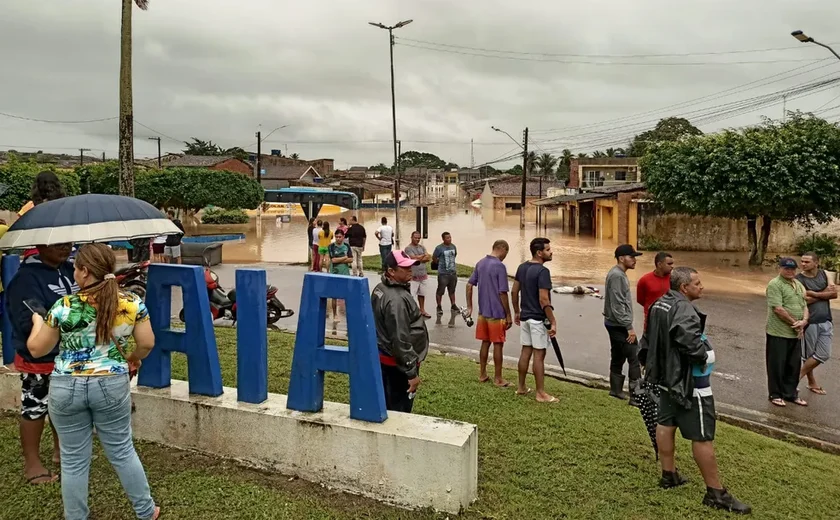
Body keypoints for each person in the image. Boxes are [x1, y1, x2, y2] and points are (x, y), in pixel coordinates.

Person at [26, 243, 160, 520]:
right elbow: (146, 343)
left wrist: (38, 323)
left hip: (66, 387)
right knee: (122, 450)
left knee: (74, 461)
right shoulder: (132, 302)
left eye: (76, 268)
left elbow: (37, 349)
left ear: (85, 271)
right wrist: (133, 358)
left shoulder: (63, 306)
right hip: (111, 383)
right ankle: (146, 511)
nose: (73, 272)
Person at [643, 267, 751, 514]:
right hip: (690, 384)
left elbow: (648, 339)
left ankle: (668, 475)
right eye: (698, 283)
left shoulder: (660, 303)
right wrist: (704, 356)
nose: (702, 287)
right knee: (702, 436)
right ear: (684, 288)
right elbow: (689, 341)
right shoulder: (684, 308)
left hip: (666, 379)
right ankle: (716, 493)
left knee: (666, 423)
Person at [5, 242, 78, 484]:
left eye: (68, 243)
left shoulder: (71, 269)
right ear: (40, 243)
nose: (65, 248)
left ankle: (61, 451)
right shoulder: (25, 279)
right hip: (40, 358)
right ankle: (33, 465)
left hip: (70, 354)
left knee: (65, 408)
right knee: (35, 408)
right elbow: (31, 318)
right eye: (57, 244)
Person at [371, 250, 430, 413]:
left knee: (388, 404)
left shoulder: (380, 288)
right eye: (405, 268)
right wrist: (411, 373)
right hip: (398, 365)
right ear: (391, 271)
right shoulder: (396, 300)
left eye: (411, 266)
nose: (410, 271)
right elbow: (400, 339)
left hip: (385, 357)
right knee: (399, 410)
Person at [512, 237, 557, 403]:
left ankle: (521, 387)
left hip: (525, 317)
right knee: (539, 355)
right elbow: (544, 299)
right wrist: (553, 321)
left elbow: (514, 291)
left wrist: (517, 311)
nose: (551, 252)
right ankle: (540, 393)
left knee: (526, 351)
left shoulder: (522, 267)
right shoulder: (543, 272)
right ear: (539, 253)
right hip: (538, 319)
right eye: (547, 250)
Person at [467, 240, 512, 387]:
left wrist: (470, 307)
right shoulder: (499, 266)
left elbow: (469, 284)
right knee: (498, 344)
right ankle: (498, 378)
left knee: (485, 342)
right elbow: (503, 293)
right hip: (497, 312)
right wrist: (508, 314)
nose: (505, 256)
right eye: (506, 253)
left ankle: (482, 374)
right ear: (502, 249)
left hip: (483, 312)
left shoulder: (480, 263)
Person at [765, 257, 808, 407]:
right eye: (786, 268)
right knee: (777, 365)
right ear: (780, 268)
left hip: (795, 333)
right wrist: (794, 323)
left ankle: (790, 394)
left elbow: (805, 306)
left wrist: (804, 321)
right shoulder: (775, 284)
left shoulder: (798, 285)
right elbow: (778, 308)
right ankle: (775, 394)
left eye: (792, 269)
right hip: (778, 332)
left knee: (793, 365)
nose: (790, 271)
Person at [604, 244, 643, 405]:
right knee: (635, 357)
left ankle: (616, 390)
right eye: (631, 257)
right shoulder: (618, 276)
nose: (634, 260)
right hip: (619, 324)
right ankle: (636, 396)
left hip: (613, 322)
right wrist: (629, 327)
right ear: (621, 258)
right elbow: (618, 305)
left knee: (618, 355)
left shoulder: (618, 274)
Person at [797, 252, 836, 396]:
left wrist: (813, 293)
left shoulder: (825, 274)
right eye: (802, 261)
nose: (803, 264)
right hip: (810, 322)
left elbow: (834, 294)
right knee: (809, 356)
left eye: (807, 262)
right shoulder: (798, 279)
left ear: (816, 263)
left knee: (823, 354)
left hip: (826, 320)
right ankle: (811, 382)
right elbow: (802, 301)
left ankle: (796, 379)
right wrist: (823, 294)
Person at [20, 171, 67, 259]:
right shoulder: (64, 205)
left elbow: (20, 227)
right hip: (59, 251)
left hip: (34, 251)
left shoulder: (29, 207)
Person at [637, 252, 674, 331]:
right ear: (659, 264)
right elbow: (640, 300)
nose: (672, 266)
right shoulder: (644, 280)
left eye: (672, 264)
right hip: (651, 322)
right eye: (669, 264)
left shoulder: (674, 280)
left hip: (670, 321)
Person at [404, 231, 433, 318]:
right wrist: (422, 256)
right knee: (411, 296)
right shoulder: (408, 248)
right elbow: (412, 259)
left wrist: (419, 257)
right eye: (415, 237)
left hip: (423, 275)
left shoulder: (422, 247)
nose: (417, 239)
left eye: (418, 238)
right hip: (413, 277)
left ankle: (422, 310)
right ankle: (411, 312)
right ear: (411, 237)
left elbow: (428, 257)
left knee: (422, 294)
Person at [328, 230, 353, 318]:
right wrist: (344, 258)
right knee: (334, 295)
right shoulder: (331, 246)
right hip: (334, 272)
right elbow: (333, 260)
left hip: (345, 273)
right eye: (337, 237)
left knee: (347, 294)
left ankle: (348, 314)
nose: (338, 239)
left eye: (340, 237)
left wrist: (341, 259)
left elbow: (351, 259)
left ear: (343, 237)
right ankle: (335, 314)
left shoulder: (347, 246)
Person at [433, 232, 459, 317]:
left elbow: (455, 255)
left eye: (450, 237)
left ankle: (453, 305)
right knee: (440, 291)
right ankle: (439, 306)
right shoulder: (439, 248)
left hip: (452, 272)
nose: (449, 239)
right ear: (443, 239)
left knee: (452, 290)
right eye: (447, 238)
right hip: (443, 274)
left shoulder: (453, 246)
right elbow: (434, 258)